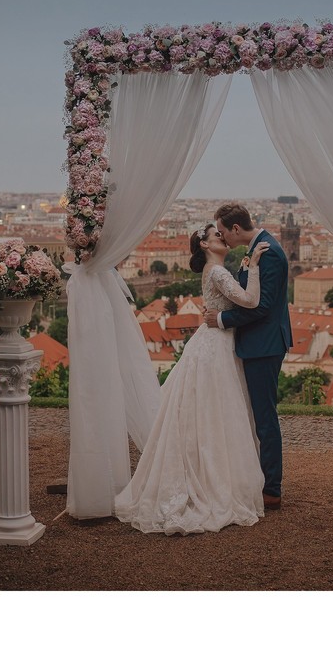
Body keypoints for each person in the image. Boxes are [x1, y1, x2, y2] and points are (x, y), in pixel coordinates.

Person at [114, 225, 269, 535]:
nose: (223, 238)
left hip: (211, 343)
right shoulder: (216, 272)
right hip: (218, 347)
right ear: (204, 244)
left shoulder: (216, 270)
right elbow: (251, 301)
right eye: (216, 236)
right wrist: (252, 269)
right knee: (220, 412)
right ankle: (218, 482)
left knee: (210, 412)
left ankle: (207, 473)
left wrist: (241, 271)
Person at [205, 202, 292, 510]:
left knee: (264, 417)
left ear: (236, 229)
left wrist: (221, 320)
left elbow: (263, 307)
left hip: (264, 345)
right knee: (255, 414)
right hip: (258, 343)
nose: (223, 237)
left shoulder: (268, 252)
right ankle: (260, 478)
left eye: (223, 231)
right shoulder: (259, 248)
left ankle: (272, 487)